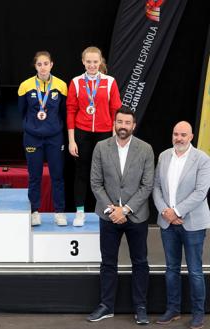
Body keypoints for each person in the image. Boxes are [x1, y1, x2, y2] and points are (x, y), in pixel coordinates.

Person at [88, 107, 154, 324]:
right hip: (108, 216)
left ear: (134, 125)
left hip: (136, 216)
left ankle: (141, 307)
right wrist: (112, 210)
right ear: (114, 124)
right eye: (120, 122)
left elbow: (147, 186)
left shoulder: (145, 149)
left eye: (127, 123)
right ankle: (106, 306)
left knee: (140, 262)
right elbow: (96, 184)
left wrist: (125, 210)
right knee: (108, 262)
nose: (123, 126)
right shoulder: (100, 147)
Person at [153, 121, 210, 329]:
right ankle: (173, 309)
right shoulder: (164, 155)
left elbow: (201, 192)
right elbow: (156, 187)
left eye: (183, 135)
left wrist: (176, 212)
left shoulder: (202, 159)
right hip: (168, 223)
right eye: (176, 134)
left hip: (192, 223)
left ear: (191, 136)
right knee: (171, 269)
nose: (179, 138)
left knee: (195, 271)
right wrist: (165, 213)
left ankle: (198, 313)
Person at [66, 46, 122, 226]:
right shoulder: (75, 82)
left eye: (95, 62)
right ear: (83, 62)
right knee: (82, 173)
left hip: (104, 133)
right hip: (82, 133)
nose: (92, 65)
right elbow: (70, 112)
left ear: (100, 62)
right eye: (88, 62)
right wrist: (71, 140)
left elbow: (116, 111)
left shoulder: (110, 81)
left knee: (106, 174)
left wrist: (115, 138)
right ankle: (80, 212)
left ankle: (108, 210)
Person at [17, 51, 67, 226]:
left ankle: (59, 211)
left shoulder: (61, 85)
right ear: (35, 66)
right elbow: (21, 111)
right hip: (32, 137)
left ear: (52, 64)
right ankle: (34, 211)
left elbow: (64, 113)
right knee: (34, 176)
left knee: (57, 175)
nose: (43, 67)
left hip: (55, 137)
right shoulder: (25, 85)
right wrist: (32, 127)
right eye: (39, 64)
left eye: (46, 63)